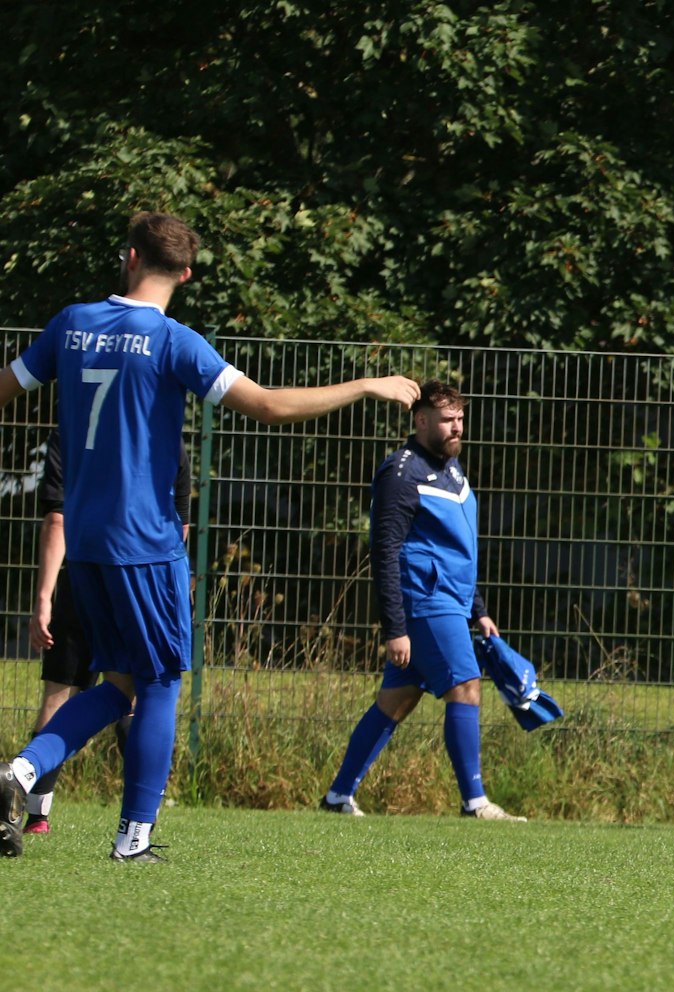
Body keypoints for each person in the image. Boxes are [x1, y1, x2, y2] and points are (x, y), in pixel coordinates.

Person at [0, 211, 420, 861]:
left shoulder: (71, 323)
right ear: (186, 273)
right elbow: (270, 405)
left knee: (116, 686)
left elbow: (5, 388)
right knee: (161, 680)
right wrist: (368, 382)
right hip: (145, 541)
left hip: (83, 540)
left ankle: (21, 773)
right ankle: (134, 838)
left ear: (130, 255)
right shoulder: (174, 342)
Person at [319, 382, 525, 822]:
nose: (457, 428)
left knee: (397, 699)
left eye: (461, 419)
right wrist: (395, 627)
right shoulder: (401, 473)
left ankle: (338, 796)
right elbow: (385, 551)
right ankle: (475, 803)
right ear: (421, 420)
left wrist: (480, 608)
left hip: (451, 600)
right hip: (426, 602)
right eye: (448, 420)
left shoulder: (453, 469)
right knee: (466, 685)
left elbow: (461, 548)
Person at [18, 438, 188, 832]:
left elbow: (57, 520)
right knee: (138, 692)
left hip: (83, 575)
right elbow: (179, 528)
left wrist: (44, 597)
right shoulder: (169, 444)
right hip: (144, 581)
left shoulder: (71, 436)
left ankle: (33, 808)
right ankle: (141, 820)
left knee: (62, 693)